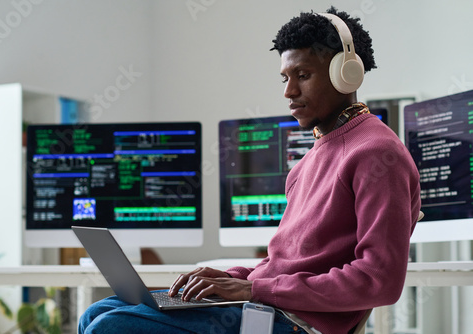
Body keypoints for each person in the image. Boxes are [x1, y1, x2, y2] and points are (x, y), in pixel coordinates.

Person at [79, 6, 421, 334]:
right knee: (98, 311)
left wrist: (253, 290)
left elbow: (379, 280)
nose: (289, 92)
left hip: (297, 323)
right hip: (269, 309)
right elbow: (284, 265)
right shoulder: (308, 162)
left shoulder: (377, 153)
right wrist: (230, 276)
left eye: (303, 76)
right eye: (285, 78)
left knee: (108, 327)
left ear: (345, 74)